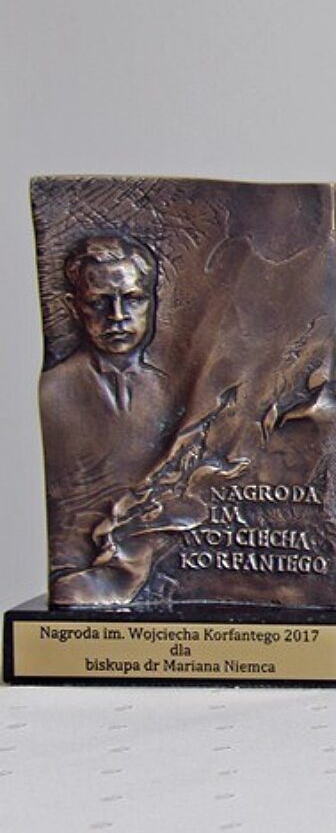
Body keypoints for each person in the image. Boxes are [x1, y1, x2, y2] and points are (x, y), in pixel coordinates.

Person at [41, 235, 181, 591]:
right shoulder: (55, 390)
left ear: (152, 301)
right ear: (74, 307)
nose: (117, 317)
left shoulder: (179, 389)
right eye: (98, 302)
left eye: (132, 299)